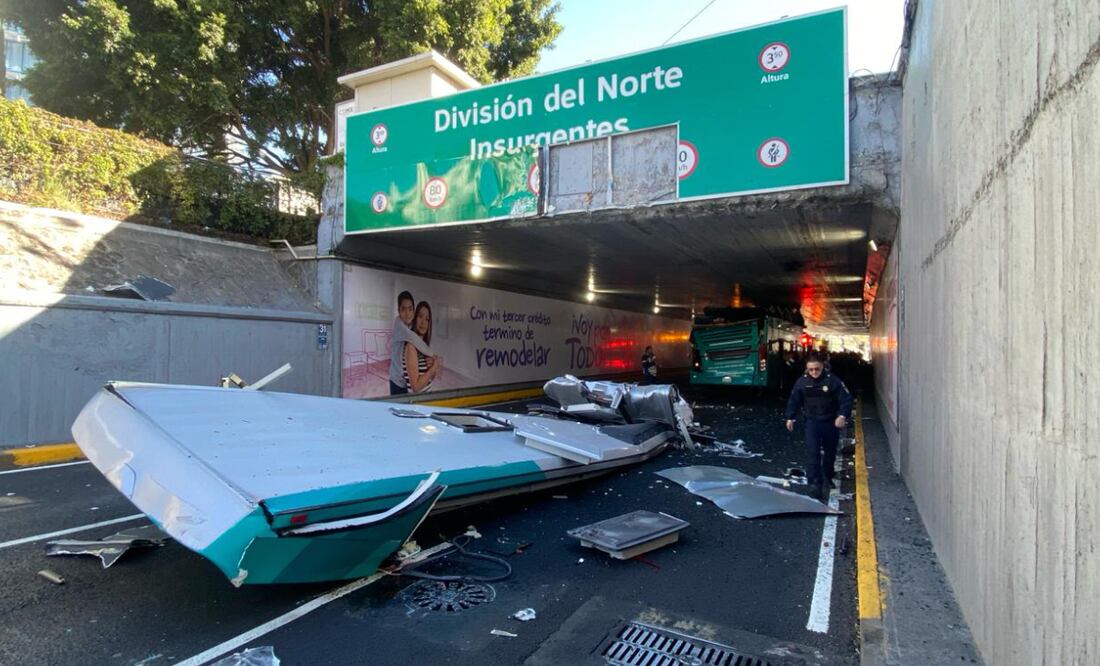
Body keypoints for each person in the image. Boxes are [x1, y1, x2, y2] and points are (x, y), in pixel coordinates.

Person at [784, 351, 853, 502]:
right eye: (811, 369)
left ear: (823, 367)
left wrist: (842, 416)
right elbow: (794, 400)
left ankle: (827, 475)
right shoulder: (802, 382)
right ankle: (815, 484)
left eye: (817, 369)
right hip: (812, 423)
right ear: (807, 368)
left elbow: (846, 399)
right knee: (813, 453)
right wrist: (790, 417)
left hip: (830, 422)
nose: (814, 372)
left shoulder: (832, 381)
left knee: (830, 453)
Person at [389, 291, 437, 395]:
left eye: (410, 309)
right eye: (403, 309)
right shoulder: (400, 325)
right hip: (397, 380)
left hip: (406, 381)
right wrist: (434, 357)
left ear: (414, 311)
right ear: (398, 311)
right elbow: (414, 339)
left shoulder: (411, 325)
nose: (407, 314)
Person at [404, 301, 440, 393]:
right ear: (415, 318)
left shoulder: (425, 348)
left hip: (427, 398)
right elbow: (416, 387)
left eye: (427, 319)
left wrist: (433, 366)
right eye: (420, 316)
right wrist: (433, 368)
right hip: (418, 401)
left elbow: (431, 378)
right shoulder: (411, 346)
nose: (423, 322)